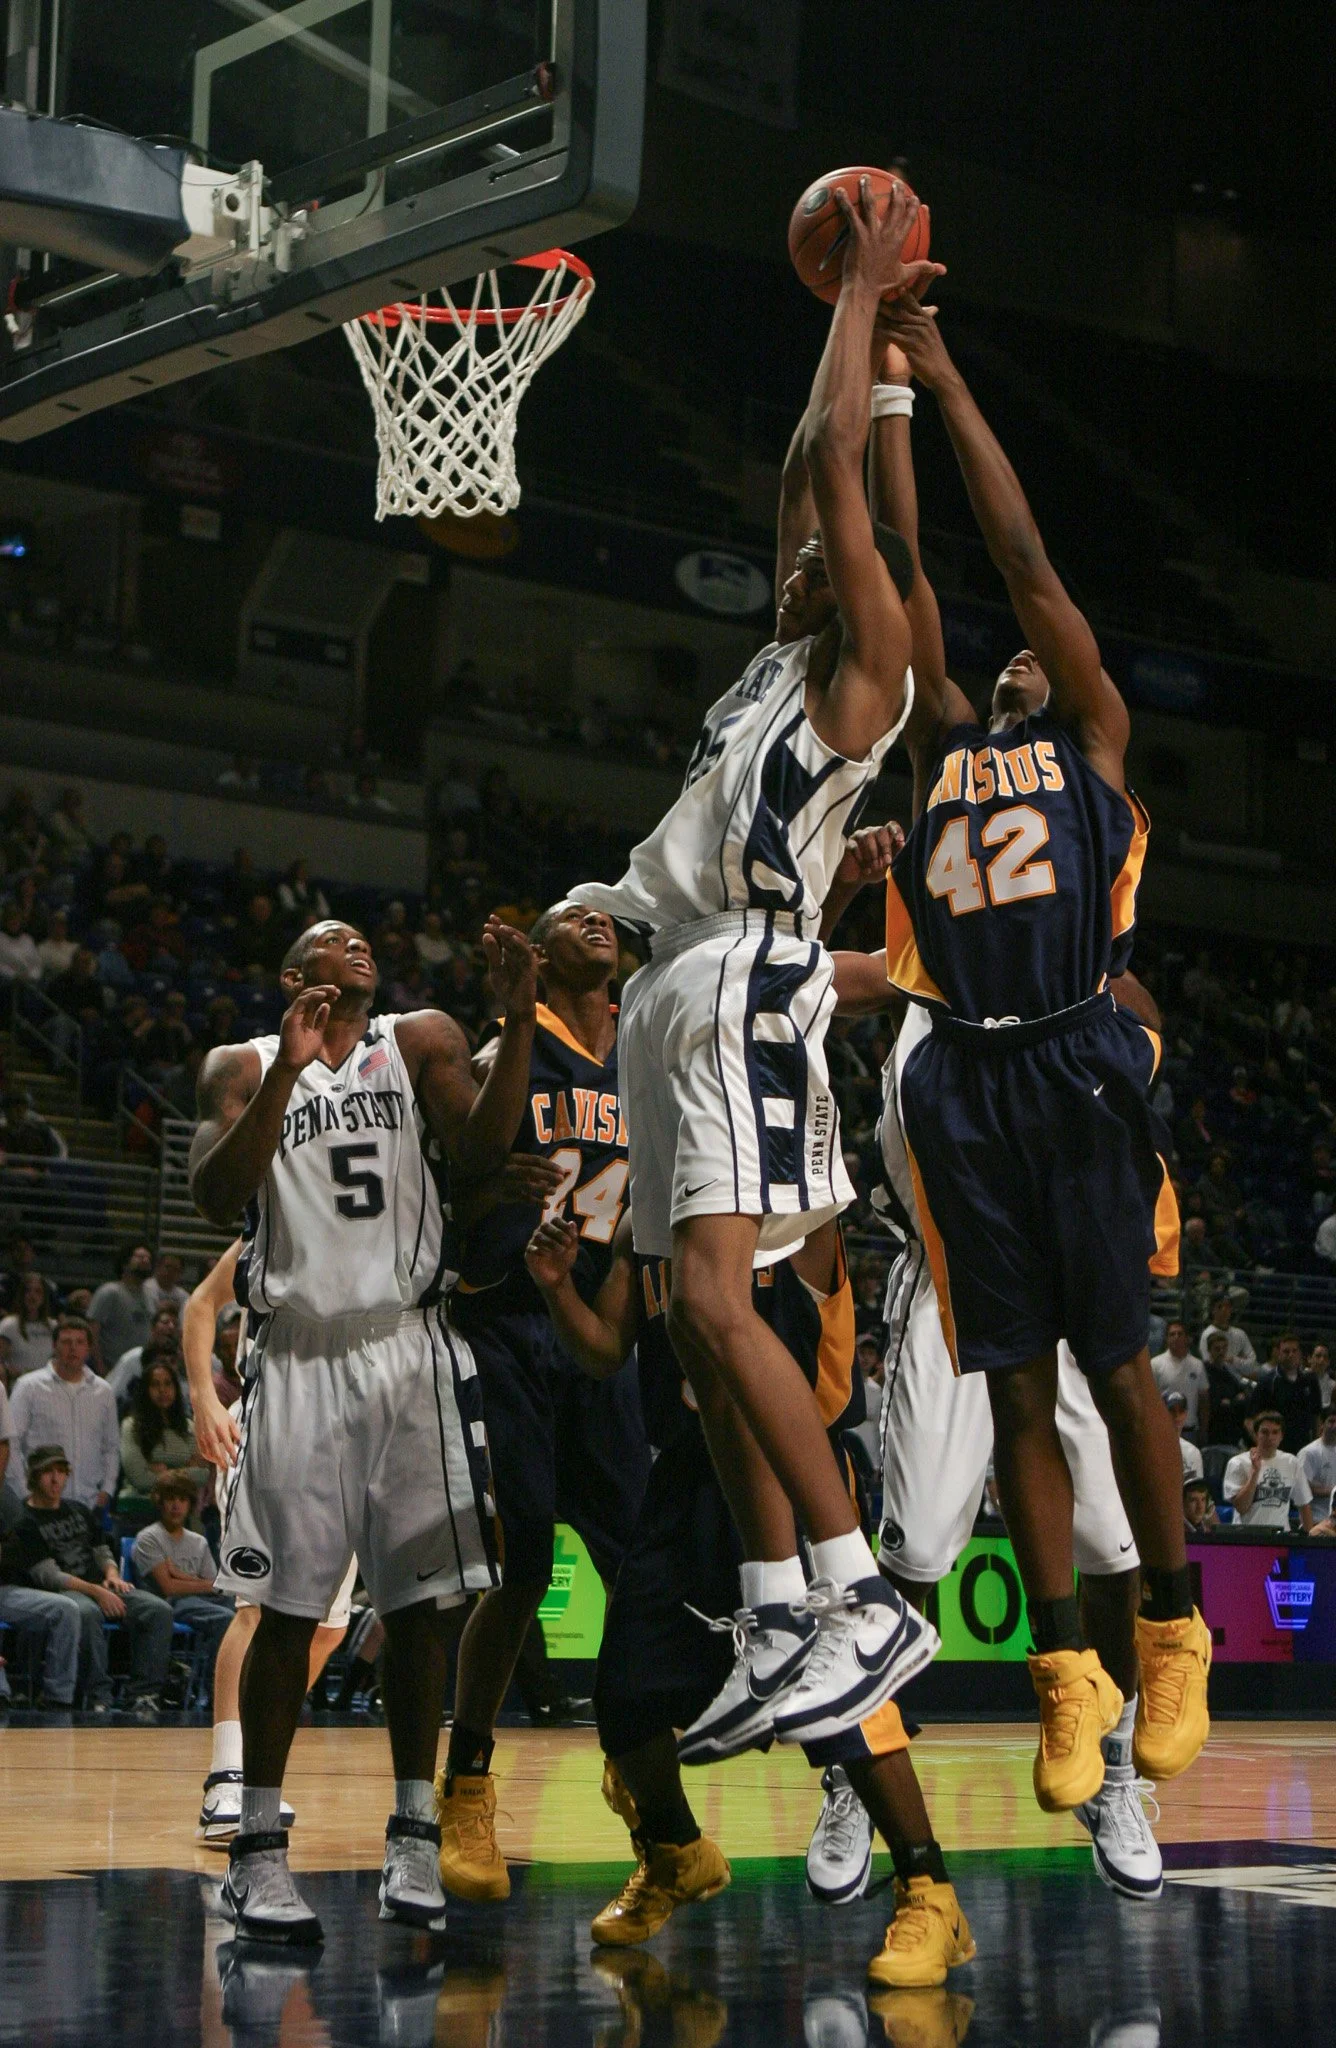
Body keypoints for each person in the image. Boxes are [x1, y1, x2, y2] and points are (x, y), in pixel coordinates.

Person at [569, 179, 944, 1762]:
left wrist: (860, 298)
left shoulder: (868, 674)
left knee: (724, 1307)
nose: (795, 560)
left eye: (824, 564)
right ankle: (783, 1601)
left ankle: (863, 1595)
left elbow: (842, 483)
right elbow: (807, 468)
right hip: (676, 986)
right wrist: (846, 338)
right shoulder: (769, 666)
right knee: (682, 1317)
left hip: (746, 985)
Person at [875, 277, 1209, 1805]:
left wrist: (944, 380)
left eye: (1030, 655)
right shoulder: (946, 743)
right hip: (963, 1075)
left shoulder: (1086, 737)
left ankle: (1172, 1630)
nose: (1009, 658)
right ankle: (1062, 1682)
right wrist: (879, 404)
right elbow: (908, 576)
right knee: (1012, 1395)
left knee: (1122, 1373)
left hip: (1073, 1051)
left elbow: (1013, 556)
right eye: (997, 660)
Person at [188, 912, 540, 1943]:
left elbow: (482, 1147)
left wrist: (517, 1019)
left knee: (422, 1608)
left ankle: (415, 1836)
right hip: (296, 1355)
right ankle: (256, 1848)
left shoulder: (419, 1036)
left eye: (363, 941)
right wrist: (291, 1076)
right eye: (332, 940)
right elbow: (216, 1194)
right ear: (295, 972)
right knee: (289, 1614)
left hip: (409, 1346)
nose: (358, 946)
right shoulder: (243, 1064)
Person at [526, 1208, 974, 1991]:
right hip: (684, 1479)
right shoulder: (648, 1215)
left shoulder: (791, 1202)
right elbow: (603, 1351)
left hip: (787, 1469)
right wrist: (559, 1290)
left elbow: (825, 1365)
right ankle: (674, 1851)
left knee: (849, 1705)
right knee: (623, 1702)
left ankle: (928, 1888)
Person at [828, 952, 1165, 1902]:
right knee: (921, 1550)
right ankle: (859, 1765)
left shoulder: (1073, 977)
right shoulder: (910, 983)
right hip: (945, 1285)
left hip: (1063, 1286)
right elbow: (815, 978)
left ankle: (1112, 1766)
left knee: (1108, 1543)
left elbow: (1140, 1012)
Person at [438, 899, 651, 1905]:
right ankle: (469, 1776)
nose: (592, 918)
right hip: (509, 1321)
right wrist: (516, 1020)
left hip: (601, 1324)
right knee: (521, 1556)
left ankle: (638, 1759)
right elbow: (469, 1163)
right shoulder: (510, 1041)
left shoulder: (643, 1043)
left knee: (636, 1564)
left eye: (605, 913)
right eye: (571, 912)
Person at [182, 1242, 352, 1842]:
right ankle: (225, 1780)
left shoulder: (384, 1217)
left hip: (349, 1436)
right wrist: (205, 1397)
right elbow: (201, 1305)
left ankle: (257, 1762)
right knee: (258, 1610)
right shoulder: (273, 1216)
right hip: (270, 1426)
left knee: (328, 1629)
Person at [8, 1444, 173, 1716]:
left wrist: (112, 1575)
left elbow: (101, 1550)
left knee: (159, 1610)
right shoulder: (24, 1519)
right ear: (34, 1476)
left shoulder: (78, 1510)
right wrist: (97, 1592)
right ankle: (98, 1694)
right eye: (48, 1472)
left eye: (61, 1472)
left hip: (101, 1585)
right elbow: (48, 1576)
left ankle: (144, 1693)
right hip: (63, 1591)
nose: (55, 1479)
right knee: (85, 1612)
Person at [6, 1318, 118, 1510]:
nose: (73, 1348)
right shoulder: (28, 1387)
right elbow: (12, 1443)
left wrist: (107, 1487)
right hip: (39, 1502)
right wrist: (24, 1491)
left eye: (80, 1342)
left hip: (89, 1502)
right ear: (54, 1346)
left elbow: (111, 1445)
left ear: (89, 1348)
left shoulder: (104, 1391)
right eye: (66, 1342)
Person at [131, 1474, 233, 1671]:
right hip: (169, 1603)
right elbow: (168, 1588)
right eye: (170, 1499)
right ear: (160, 1503)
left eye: (182, 1500)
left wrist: (179, 1574)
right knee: (225, 1618)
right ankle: (212, 1688)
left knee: (243, 1611)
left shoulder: (199, 1541)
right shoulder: (149, 1538)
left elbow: (213, 1585)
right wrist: (206, 1584)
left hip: (200, 1600)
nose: (176, 1506)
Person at [117, 1359, 209, 1521]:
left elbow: (203, 1475)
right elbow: (140, 1479)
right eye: (155, 1385)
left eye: (168, 1384)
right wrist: (185, 1469)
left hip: (181, 1513)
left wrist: (163, 1471)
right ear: (146, 1390)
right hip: (140, 1510)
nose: (162, 1390)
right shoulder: (131, 1427)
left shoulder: (188, 1427)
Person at [1249, 1332, 1322, 1453]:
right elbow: (1250, 1419)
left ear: (1300, 1353)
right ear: (1278, 1353)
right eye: (1286, 1351)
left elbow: (1317, 1415)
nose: (1291, 1355)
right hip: (1277, 1449)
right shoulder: (1267, 1382)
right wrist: (1262, 1444)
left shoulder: (1310, 1381)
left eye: (1294, 1351)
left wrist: (1316, 1445)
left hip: (1304, 1447)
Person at [1222, 1414, 1297, 1530]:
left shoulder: (1291, 1462)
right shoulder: (1237, 1463)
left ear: (1281, 1436)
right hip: (1247, 1537)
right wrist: (1255, 1471)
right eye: (1265, 1432)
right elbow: (1241, 1507)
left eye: (1275, 1432)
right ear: (1256, 1435)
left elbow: (1304, 1503)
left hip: (1281, 1538)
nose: (1270, 1437)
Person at [106, 1306, 187, 1413]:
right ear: (152, 1329)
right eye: (165, 1322)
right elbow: (111, 1394)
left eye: (175, 1324)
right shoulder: (134, 1357)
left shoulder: (182, 1360)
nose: (171, 1326)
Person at [88, 1243, 154, 1373]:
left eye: (148, 1258)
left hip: (142, 1369)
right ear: (125, 1263)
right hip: (113, 1368)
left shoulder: (150, 1295)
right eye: (140, 1257)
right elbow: (92, 1332)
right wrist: (99, 1366)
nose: (146, 1261)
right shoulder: (109, 1292)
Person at [1151, 1323, 1210, 1441]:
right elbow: (1150, 1399)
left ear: (1187, 1338)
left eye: (1180, 1333)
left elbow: (1204, 1400)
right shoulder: (1155, 1364)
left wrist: (1204, 1429)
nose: (1176, 1337)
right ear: (1166, 1339)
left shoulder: (1197, 1365)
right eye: (1172, 1334)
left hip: (1190, 1430)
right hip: (1164, 1429)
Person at [0, 1270, 58, 1380]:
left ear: (44, 1296)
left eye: (38, 1292)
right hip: (17, 1383)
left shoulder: (53, 1326)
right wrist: (7, 1371)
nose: (32, 1296)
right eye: (28, 1291)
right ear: (22, 1295)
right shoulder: (9, 1325)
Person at [1292, 1408, 1336, 1535]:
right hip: (1315, 1520)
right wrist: (1332, 1491)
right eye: (1331, 1421)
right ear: (1322, 1424)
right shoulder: (1309, 1453)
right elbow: (1301, 1488)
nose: (1334, 1426)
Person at [1198, 1292, 1256, 1374]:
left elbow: (1252, 1364)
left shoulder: (1240, 1333)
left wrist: (1234, 1360)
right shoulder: (1207, 1334)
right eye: (1220, 1307)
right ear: (1213, 1310)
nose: (1224, 1310)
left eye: (1228, 1306)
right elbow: (1210, 1365)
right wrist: (1241, 1362)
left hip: (1240, 1381)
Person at [1167, 1394, 1204, 1483]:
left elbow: (1195, 1487)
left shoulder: (1193, 1452)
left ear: (1186, 1414)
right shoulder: (1151, 1448)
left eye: (1181, 1411)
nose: (1177, 1416)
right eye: (1172, 1411)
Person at [143, 1250, 188, 1320]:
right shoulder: (145, 1288)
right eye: (167, 1267)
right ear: (158, 1267)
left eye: (175, 1269)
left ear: (180, 1274)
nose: (170, 1272)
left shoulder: (184, 1296)